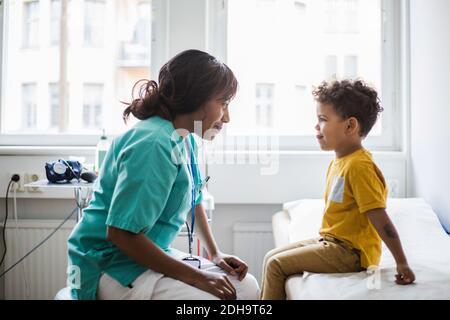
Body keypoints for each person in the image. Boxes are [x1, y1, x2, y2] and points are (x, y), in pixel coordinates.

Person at [67, 49, 260, 300]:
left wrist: (216, 254)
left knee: (245, 286)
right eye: (222, 104)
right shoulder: (154, 144)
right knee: (213, 299)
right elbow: (121, 234)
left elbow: (195, 198)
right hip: (108, 264)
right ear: (196, 98)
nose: (227, 117)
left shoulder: (183, 137)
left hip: (143, 257)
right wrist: (198, 277)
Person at [260, 79, 415, 299]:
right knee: (270, 257)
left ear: (350, 126)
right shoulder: (339, 162)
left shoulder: (360, 166)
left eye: (323, 119)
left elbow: (380, 219)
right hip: (333, 242)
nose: (316, 127)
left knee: (276, 264)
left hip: (352, 253)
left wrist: (402, 263)